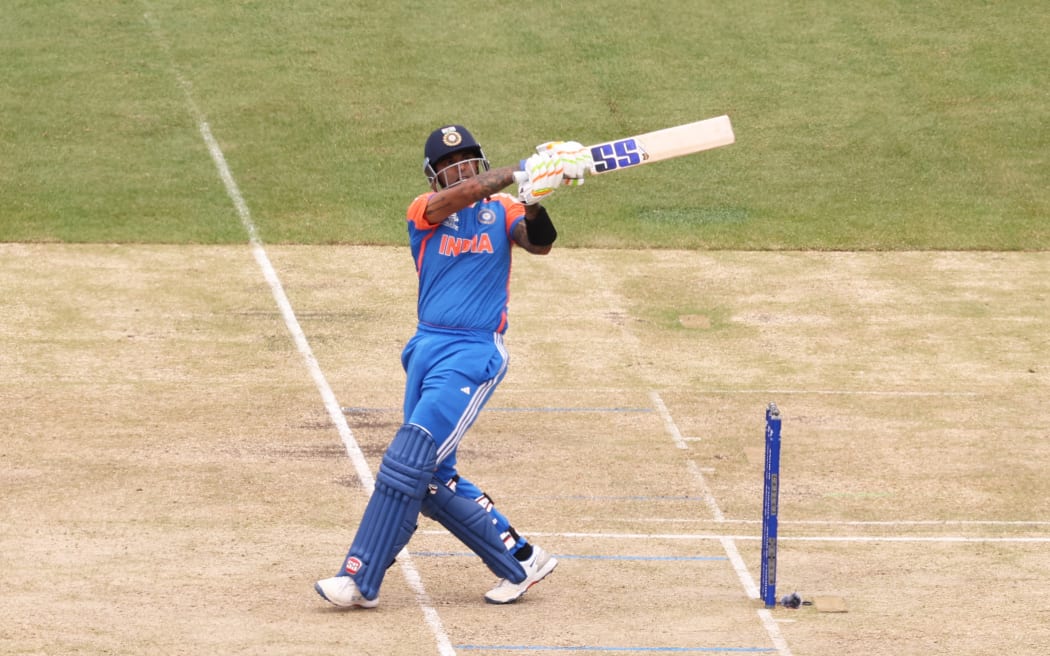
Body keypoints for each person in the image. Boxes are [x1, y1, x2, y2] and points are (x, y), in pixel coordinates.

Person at [315, 125, 593, 607]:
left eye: (467, 158)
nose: (461, 168)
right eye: (450, 164)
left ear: (479, 161)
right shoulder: (423, 212)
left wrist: (534, 197)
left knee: (408, 459)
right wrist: (522, 169)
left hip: (473, 352)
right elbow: (462, 196)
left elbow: (540, 243)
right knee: (431, 479)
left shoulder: (502, 210)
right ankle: (521, 560)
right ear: (435, 176)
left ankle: (358, 577)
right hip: (426, 349)